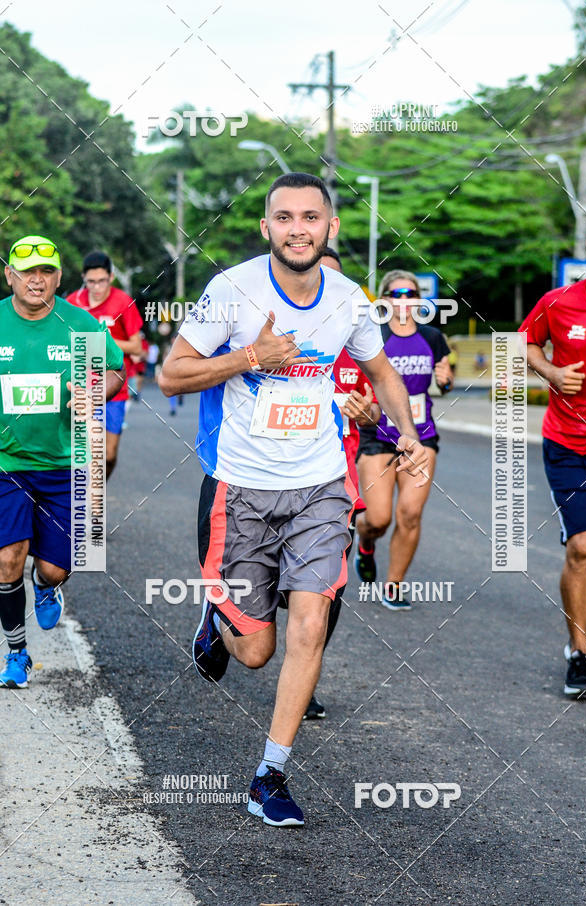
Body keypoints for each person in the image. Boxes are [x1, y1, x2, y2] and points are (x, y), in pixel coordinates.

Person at [159, 173, 428, 827]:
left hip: (319, 489)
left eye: (312, 216)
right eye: (285, 217)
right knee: (256, 650)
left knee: (312, 622)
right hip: (242, 487)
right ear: (267, 228)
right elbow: (172, 372)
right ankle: (216, 616)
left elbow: (382, 368)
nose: (299, 227)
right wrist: (251, 355)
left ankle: (269, 775)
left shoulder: (347, 298)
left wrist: (410, 433)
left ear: (330, 227)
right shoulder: (232, 291)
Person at [0, 235, 124, 688]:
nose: (37, 279)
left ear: (58, 277)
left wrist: (93, 390)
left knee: (55, 566)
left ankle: (47, 583)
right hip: (7, 461)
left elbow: (114, 371)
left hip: (67, 462)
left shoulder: (81, 325)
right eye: (27, 270)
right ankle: (17, 653)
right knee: (7, 558)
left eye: (47, 271)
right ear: (9, 275)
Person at [519, 213, 586, 696]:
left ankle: (584, 642)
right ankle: (580, 651)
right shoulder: (559, 302)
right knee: (584, 546)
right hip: (571, 440)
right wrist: (549, 371)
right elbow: (524, 342)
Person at [303, 247, 381, 720]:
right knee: (263, 589)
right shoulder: (273, 336)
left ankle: (306, 672)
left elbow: (375, 414)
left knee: (328, 585)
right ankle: (225, 612)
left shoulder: (357, 346)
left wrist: (364, 411)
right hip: (269, 477)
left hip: (336, 478)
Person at [355, 269, 453, 610]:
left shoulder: (432, 337)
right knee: (378, 518)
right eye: (396, 295)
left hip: (421, 436)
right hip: (379, 435)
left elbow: (442, 382)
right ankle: (365, 542)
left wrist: (446, 379)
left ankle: (393, 586)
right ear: (383, 300)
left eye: (410, 294)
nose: (404, 301)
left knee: (410, 513)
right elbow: (358, 380)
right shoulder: (373, 336)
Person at [67, 252, 143, 478]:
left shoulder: (122, 302)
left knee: (108, 455)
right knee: (85, 453)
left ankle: (99, 486)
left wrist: (100, 340)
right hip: (79, 387)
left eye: (102, 281)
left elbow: (137, 347)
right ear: (84, 278)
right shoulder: (72, 302)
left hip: (114, 387)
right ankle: (87, 496)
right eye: (91, 281)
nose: (97, 287)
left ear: (111, 277)